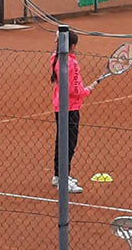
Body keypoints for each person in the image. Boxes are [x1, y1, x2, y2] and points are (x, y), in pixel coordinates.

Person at [49, 30, 93, 194]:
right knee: (69, 143)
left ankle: (58, 175)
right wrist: (87, 90)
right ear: (72, 46)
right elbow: (73, 89)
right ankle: (63, 179)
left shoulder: (56, 57)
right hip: (70, 107)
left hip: (60, 105)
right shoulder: (71, 63)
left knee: (61, 140)